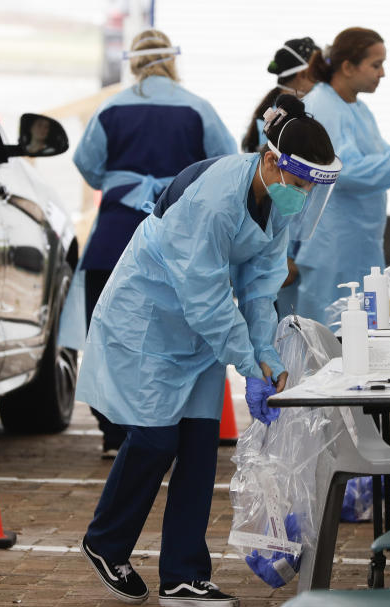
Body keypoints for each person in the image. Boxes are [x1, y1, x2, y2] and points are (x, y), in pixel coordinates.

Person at [75, 94, 340, 607]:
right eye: (300, 182)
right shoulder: (213, 199)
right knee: (153, 441)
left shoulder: (276, 201)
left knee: (198, 449)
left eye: (311, 187)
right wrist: (249, 364)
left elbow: (260, 290)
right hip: (148, 322)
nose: (302, 195)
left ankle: (183, 575)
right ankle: (105, 542)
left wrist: (267, 359)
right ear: (270, 160)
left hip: (197, 336)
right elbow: (206, 297)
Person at [58, 29, 236, 458]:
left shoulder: (112, 107)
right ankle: (167, 424)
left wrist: (120, 184)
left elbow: (86, 162)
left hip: (116, 232)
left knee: (113, 329)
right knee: (176, 331)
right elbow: (226, 160)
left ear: (133, 62)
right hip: (178, 233)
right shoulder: (198, 108)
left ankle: (114, 430)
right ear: (172, 61)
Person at [291, 27, 390, 325]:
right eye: (376, 65)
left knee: (363, 338)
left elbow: (378, 153)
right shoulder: (322, 106)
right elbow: (347, 171)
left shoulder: (356, 108)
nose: (382, 74)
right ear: (347, 67)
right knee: (328, 345)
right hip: (333, 245)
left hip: (358, 242)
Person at [241, 37, 321, 319]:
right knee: (282, 327)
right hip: (276, 245)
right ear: (303, 74)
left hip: (279, 245)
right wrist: (287, 255)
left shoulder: (274, 115)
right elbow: (278, 196)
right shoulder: (283, 126)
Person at [241, 37, 320, 153]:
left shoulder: (270, 108)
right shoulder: (278, 120)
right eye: (317, 73)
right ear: (302, 75)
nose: (321, 80)